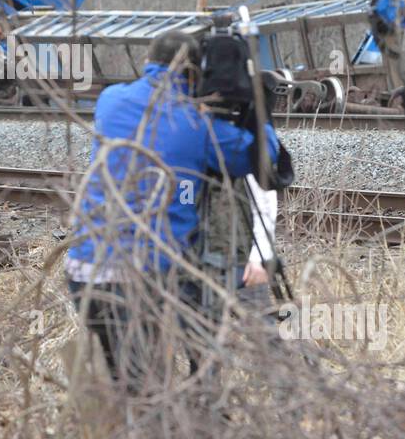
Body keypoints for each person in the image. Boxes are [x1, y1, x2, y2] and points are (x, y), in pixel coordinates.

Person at [65, 31, 286, 394]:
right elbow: (264, 157)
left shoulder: (109, 101)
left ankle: (132, 432)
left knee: (127, 381)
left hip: (84, 271)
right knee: (147, 390)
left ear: (149, 62)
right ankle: (184, 421)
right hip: (143, 280)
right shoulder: (199, 129)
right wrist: (258, 108)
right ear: (192, 74)